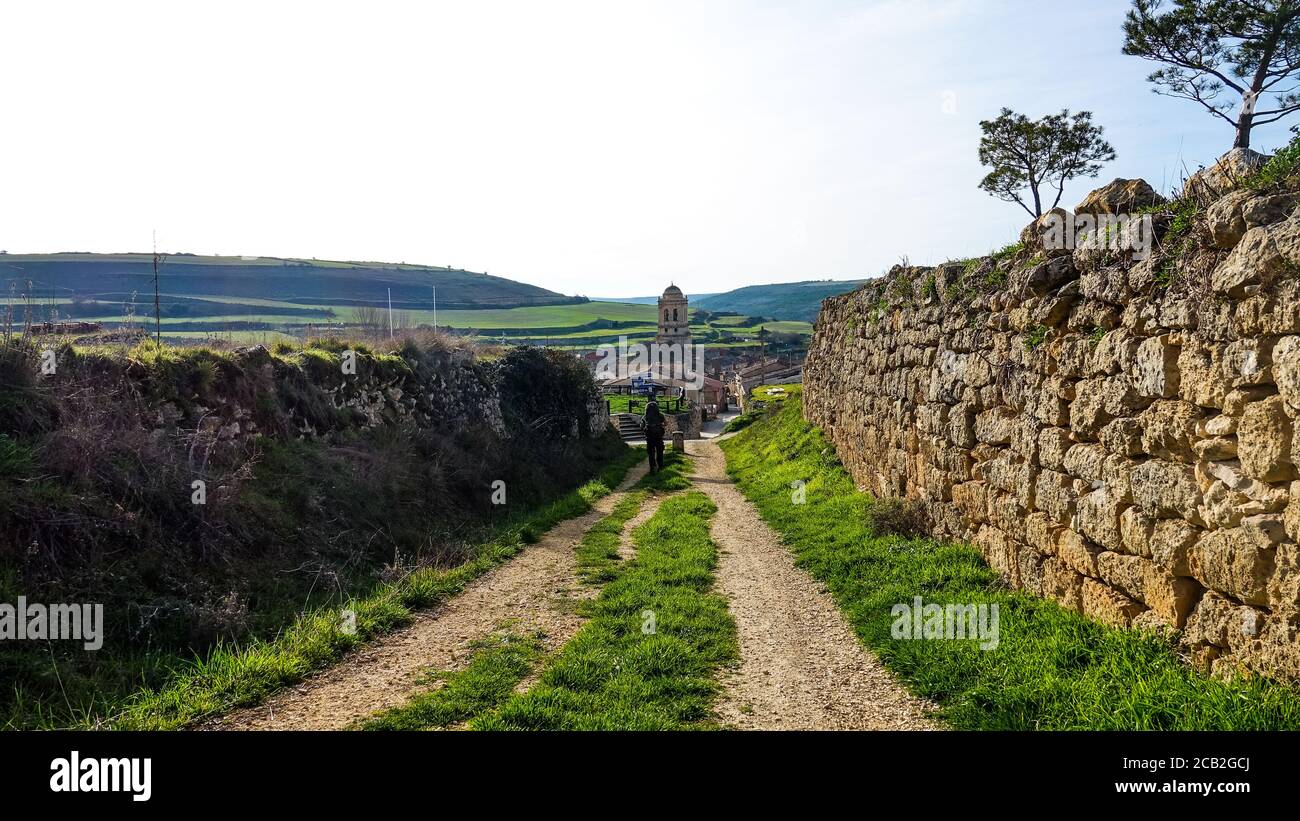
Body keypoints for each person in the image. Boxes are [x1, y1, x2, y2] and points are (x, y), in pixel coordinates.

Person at [643, 392, 666, 473]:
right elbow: (665, 423)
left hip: (649, 436)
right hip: (658, 435)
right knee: (660, 451)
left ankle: (652, 468)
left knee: (651, 453)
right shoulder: (660, 415)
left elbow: (642, 425)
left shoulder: (645, 416)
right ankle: (660, 466)